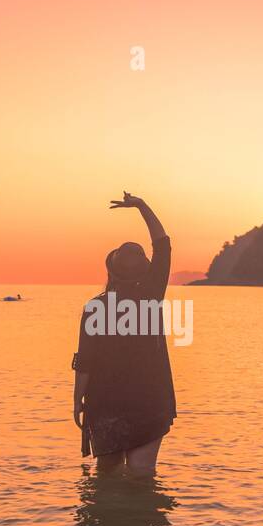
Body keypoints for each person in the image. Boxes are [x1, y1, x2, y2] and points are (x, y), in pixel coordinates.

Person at [72, 192, 175, 477]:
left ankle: (109, 521)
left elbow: (85, 361)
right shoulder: (152, 295)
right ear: (146, 270)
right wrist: (142, 206)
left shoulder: (95, 307)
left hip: (106, 403)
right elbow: (162, 244)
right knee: (143, 476)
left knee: (107, 480)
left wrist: (77, 400)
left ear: (112, 271)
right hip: (149, 401)